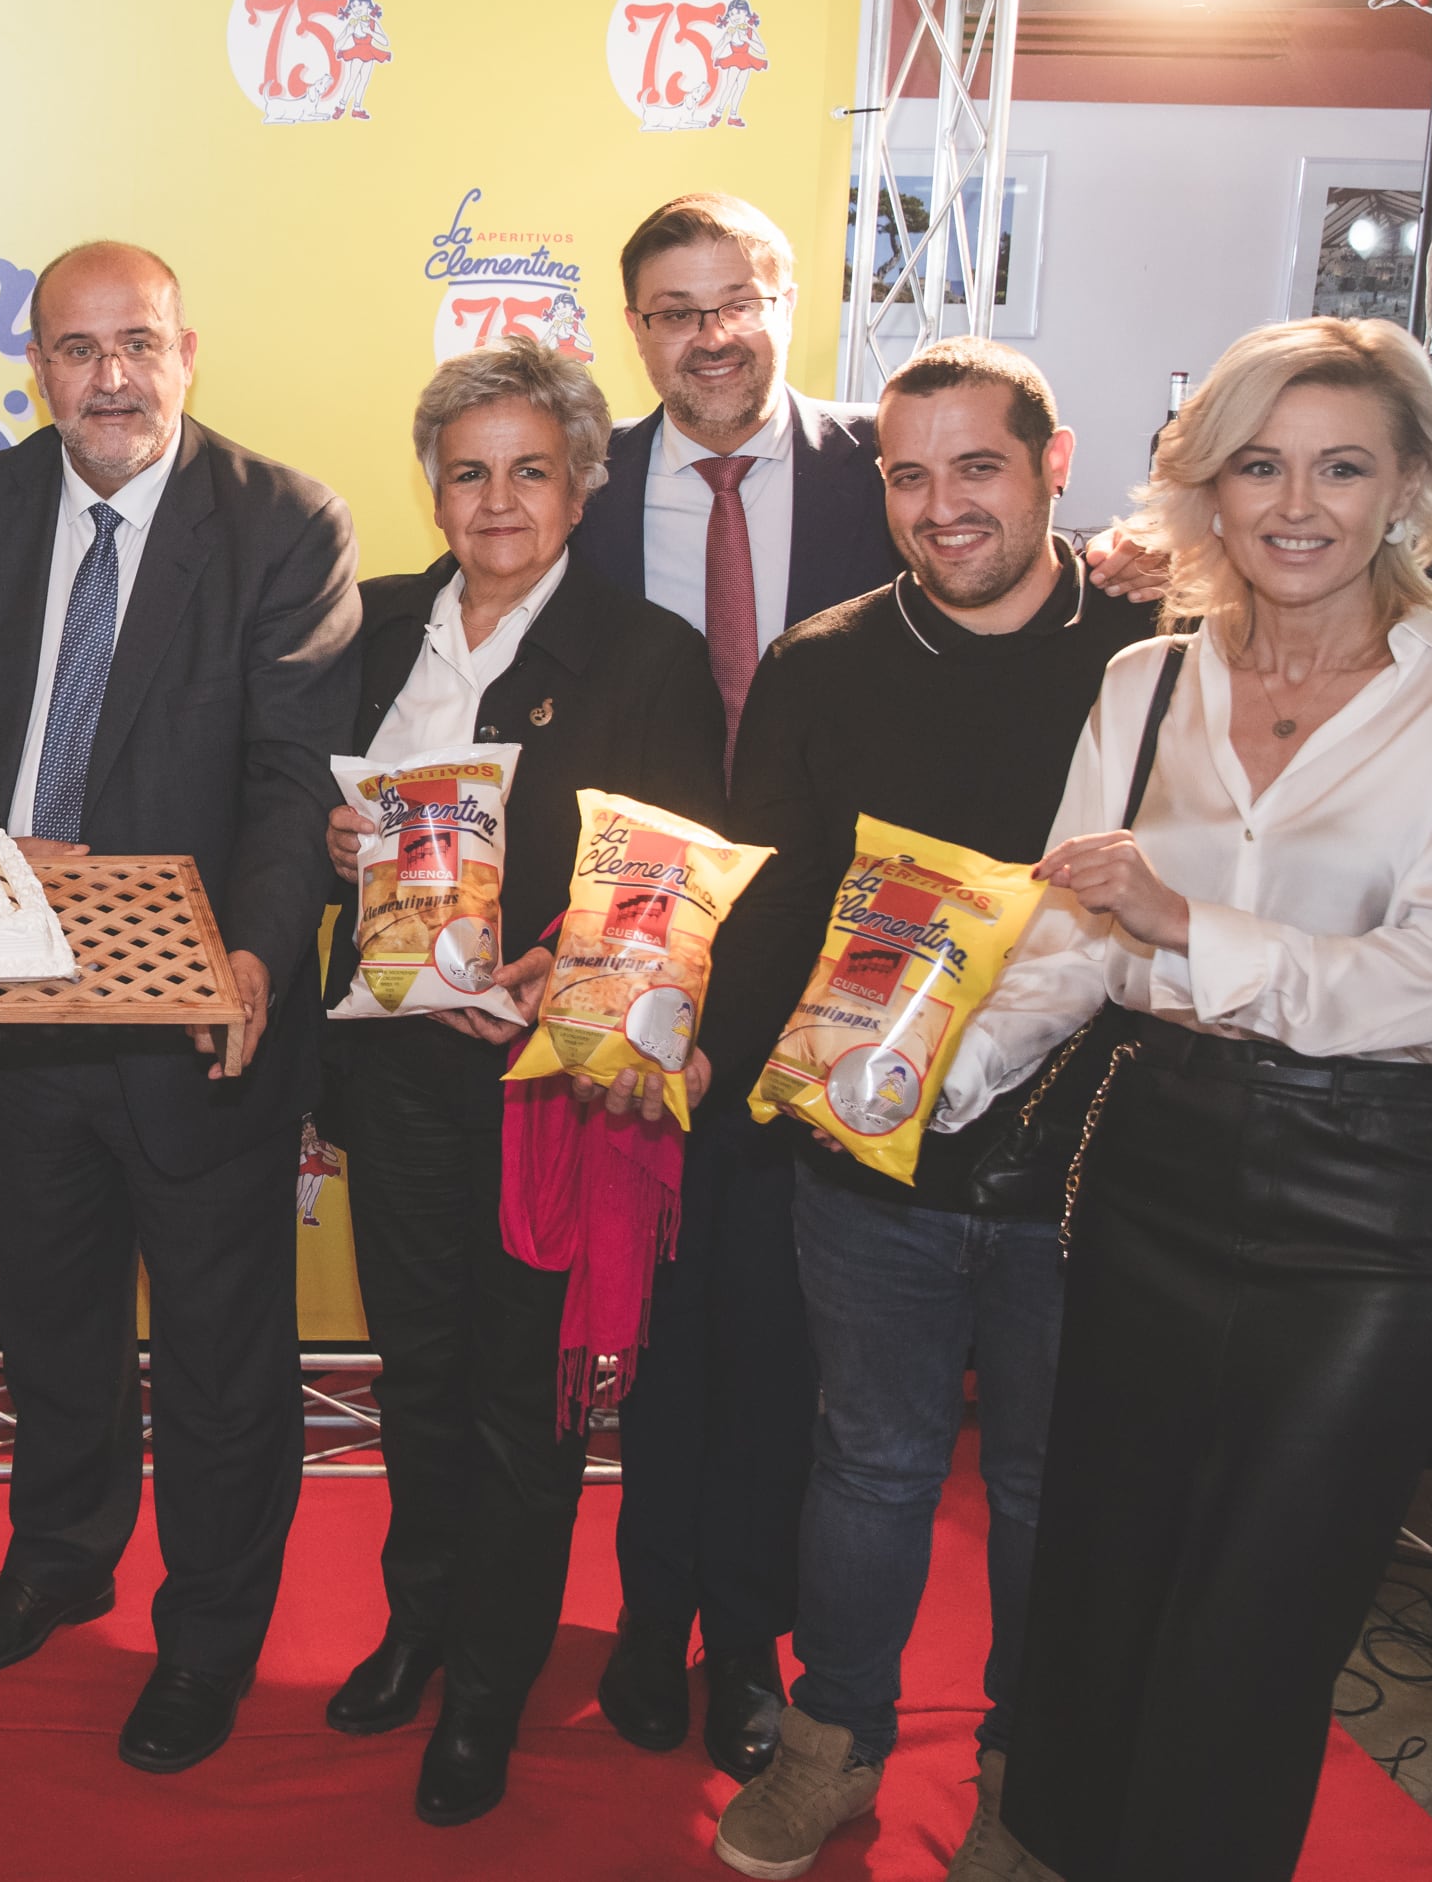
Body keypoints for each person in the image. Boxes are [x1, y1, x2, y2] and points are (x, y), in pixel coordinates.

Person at [935, 318, 1432, 1882]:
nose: (1298, 502)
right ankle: (1053, 1842)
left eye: (1343, 465)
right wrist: (926, 1081)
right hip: (1150, 1161)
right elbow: (1073, 934)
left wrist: (1187, 923)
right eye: (1259, 463)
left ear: (1407, 483)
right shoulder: (1146, 684)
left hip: (1369, 1208)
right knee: (1102, 1569)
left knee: (1262, 1610)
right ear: (1205, 486)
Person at [694, 341, 1154, 1882]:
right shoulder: (822, 662)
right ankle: (834, 1742)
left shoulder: (1159, 651)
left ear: (1053, 460)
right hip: (869, 1152)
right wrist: (712, 1064)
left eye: (978, 466)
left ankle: (1031, 1774)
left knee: (1045, 1479)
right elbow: (764, 911)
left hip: (1093, 1163)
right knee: (872, 1464)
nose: (943, 505)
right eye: (909, 474)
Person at [0, 240, 358, 1773]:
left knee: (225, 1353)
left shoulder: (284, 521)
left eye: (138, 343)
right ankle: (61, 1554)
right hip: (22, 1010)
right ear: (38, 364)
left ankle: (212, 1637)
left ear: (187, 350)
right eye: (77, 347)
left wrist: (251, 955)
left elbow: (296, 776)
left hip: (197, 1018)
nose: (110, 375)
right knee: (51, 1318)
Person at [315, 337, 725, 1826]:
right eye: (469, 470)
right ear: (433, 486)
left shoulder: (644, 652)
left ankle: (486, 1685)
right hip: (393, 1074)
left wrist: (579, 971)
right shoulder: (369, 630)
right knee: (415, 1379)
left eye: (529, 471)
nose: (496, 500)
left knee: (520, 1407)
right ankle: (417, 1624)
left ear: (579, 485)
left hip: (539, 1093)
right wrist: (337, 843)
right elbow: (314, 805)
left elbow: (672, 880)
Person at [572, 192, 901, 1779]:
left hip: (828, 977)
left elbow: (1012, 589)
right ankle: (645, 1618)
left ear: (788, 294)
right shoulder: (591, 483)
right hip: (637, 966)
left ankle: (746, 1639)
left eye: (735, 297)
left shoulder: (887, 473)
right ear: (634, 332)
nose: (708, 334)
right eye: (670, 309)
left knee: (778, 1338)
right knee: (656, 1317)